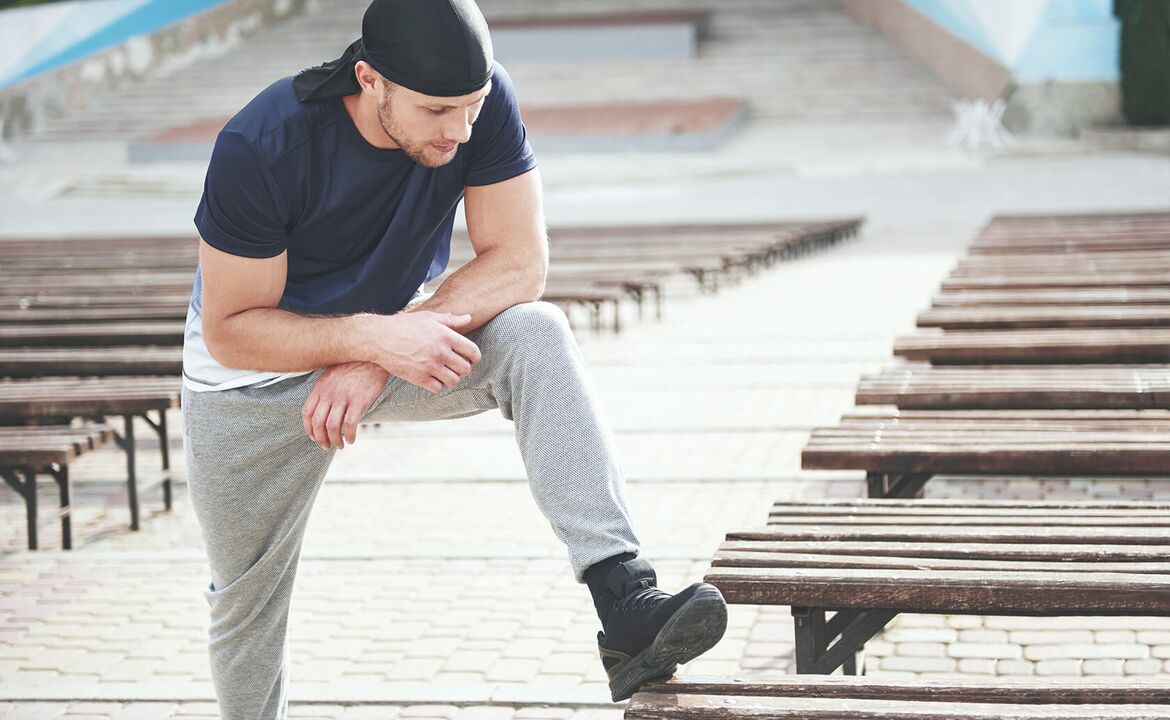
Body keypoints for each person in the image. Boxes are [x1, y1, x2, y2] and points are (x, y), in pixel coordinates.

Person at [181, 0, 728, 716]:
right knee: (244, 599)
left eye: (470, 108)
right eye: (439, 111)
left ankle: (623, 597)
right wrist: (369, 339)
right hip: (250, 383)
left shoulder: (484, 99)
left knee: (535, 332)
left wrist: (384, 348)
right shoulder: (264, 143)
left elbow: (520, 263)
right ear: (370, 79)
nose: (461, 130)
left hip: (394, 349)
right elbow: (233, 329)